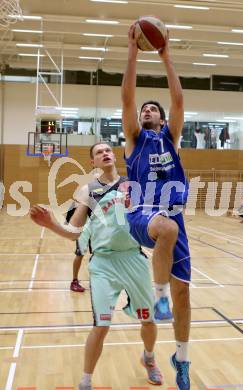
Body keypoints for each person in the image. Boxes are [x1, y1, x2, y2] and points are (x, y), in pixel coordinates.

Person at [30, 142, 163, 390]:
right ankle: (86, 380)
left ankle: (149, 357)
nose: (105, 153)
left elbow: (151, 217)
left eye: (108, 150)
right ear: (93, 162)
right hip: (103, 264)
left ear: (114, 156)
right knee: (101, 325)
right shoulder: (88, 192)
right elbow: (73, 232)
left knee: (148, 320)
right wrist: (51, 224)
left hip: (134, 259)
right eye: (99, 152)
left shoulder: (132, 185)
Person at [121, 24, 191, 389]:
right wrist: (133, 51)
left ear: (161, 120)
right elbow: (127, 99)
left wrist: (166, 56)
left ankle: (181, 357)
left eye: (153, 109)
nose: (146, 111)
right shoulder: (134, 140)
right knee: (166, 227)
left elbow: (179, 102)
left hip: (172, 219)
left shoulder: (169, 139)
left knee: (185, 294)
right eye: (144, 109)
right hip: (141, 215)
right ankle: (158, 297)